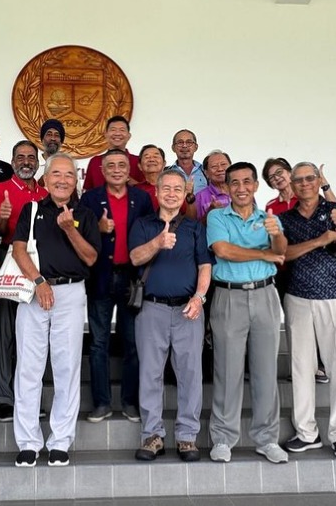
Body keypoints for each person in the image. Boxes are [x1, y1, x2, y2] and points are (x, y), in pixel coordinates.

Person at [12, 153, 100, 468]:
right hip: (35, 292)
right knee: (29, 369)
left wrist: (70, 229)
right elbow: (18, 249)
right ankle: (28, 442)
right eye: (56, 174)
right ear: (46, 180)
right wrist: (38, 281)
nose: (62, 180)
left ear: (75, 180)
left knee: (67, 368)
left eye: (68, 175)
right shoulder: (31, 208)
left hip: (72, 293)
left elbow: (90, 258)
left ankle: (60, 441)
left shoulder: (86, 214)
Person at [207, 162, 289, 464]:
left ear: (256, 185)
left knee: (266, 370)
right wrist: (263, 253)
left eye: (247, 182)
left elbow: (281, 251)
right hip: (229, 296)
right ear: (226, 188)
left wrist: (275, 236)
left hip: (265, 294)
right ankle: (223, 438)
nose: (241, 188)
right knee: (227, 370)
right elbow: (223, 250)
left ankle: (266, 438)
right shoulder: (217, 216)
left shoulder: (268, 217)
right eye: (235, 183)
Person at [129, 169, 213, 462]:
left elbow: (205, 266)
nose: (172, 193)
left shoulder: (194, 228)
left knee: (190, 374)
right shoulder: (143, 224)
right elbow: (135, 258)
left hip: (188, 309)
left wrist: (199, 298)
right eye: (167, 188)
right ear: (157, 190)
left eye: (179, 189)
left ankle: (187, 437)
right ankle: (152, 436)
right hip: (151, 308)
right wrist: (157, 243)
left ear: (184, 192)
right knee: (150, 373)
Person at [279, 162, 336, 458]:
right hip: (298, 297)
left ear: (318, 180)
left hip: (334, 295)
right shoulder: (285, 218)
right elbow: (285, 254)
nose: (303, 183)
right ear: (292, 184)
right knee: (301, 367)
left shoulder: (335, 210)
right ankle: (307, 432)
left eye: (309, 178)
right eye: (297, 180)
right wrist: (321, 240)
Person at [80, 149, 154, 424]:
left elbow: (149, 234)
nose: (116, 169)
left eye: (121, 165)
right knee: (98, 343)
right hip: (100, 276)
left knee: (132, 343)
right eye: (110, 165)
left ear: (129, 169)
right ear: (102, 169)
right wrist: (97, 229)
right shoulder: (90, 198)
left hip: (131, 279)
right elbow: (78, 236)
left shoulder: (142, 199)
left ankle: (130, 401)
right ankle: (101, 403)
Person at [262, 157, 336, 384]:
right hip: (285, 269)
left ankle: (321, 365)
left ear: (289, 173)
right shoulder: (271, 207)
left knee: (317, 319)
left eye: (280, 172)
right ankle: (302, 367)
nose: (277, 178)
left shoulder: (307, 197)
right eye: (271, 176)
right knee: (295, 319)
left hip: (315, 268)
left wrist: (325, 184)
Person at [0, 140, 48, 422]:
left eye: (30, 157)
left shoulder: (46, 192)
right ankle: (4, 399)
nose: (26, 161)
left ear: (37, 162)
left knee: (33, 336)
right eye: (20, 156)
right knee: (5, 333)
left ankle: (30, 398)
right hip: (9, 262)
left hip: (39, 268)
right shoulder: (2, 189)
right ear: (12, 161)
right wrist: (3, 218)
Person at [82, 115, 145, 191]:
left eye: (122, 130)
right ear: (106, 135)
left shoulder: (138, 161)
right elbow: (87, 191)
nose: (117, 133)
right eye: (113, 130)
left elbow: (146, 190)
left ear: (129, 136)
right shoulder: (95, 161)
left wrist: (127, 179)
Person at [194, 150, 232, 222]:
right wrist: (210, 213)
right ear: (206, 173)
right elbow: (195, 228)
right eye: (214, 166)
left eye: (223, 164)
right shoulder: (200, 197)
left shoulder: (242, 191)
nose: (220, 169)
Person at [168, 129, 207, 195]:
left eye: (189, 142)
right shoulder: (166, 172)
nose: (184, 146)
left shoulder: (206, 171)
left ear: (196, 147)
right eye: (180, 142)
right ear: (173, 148)